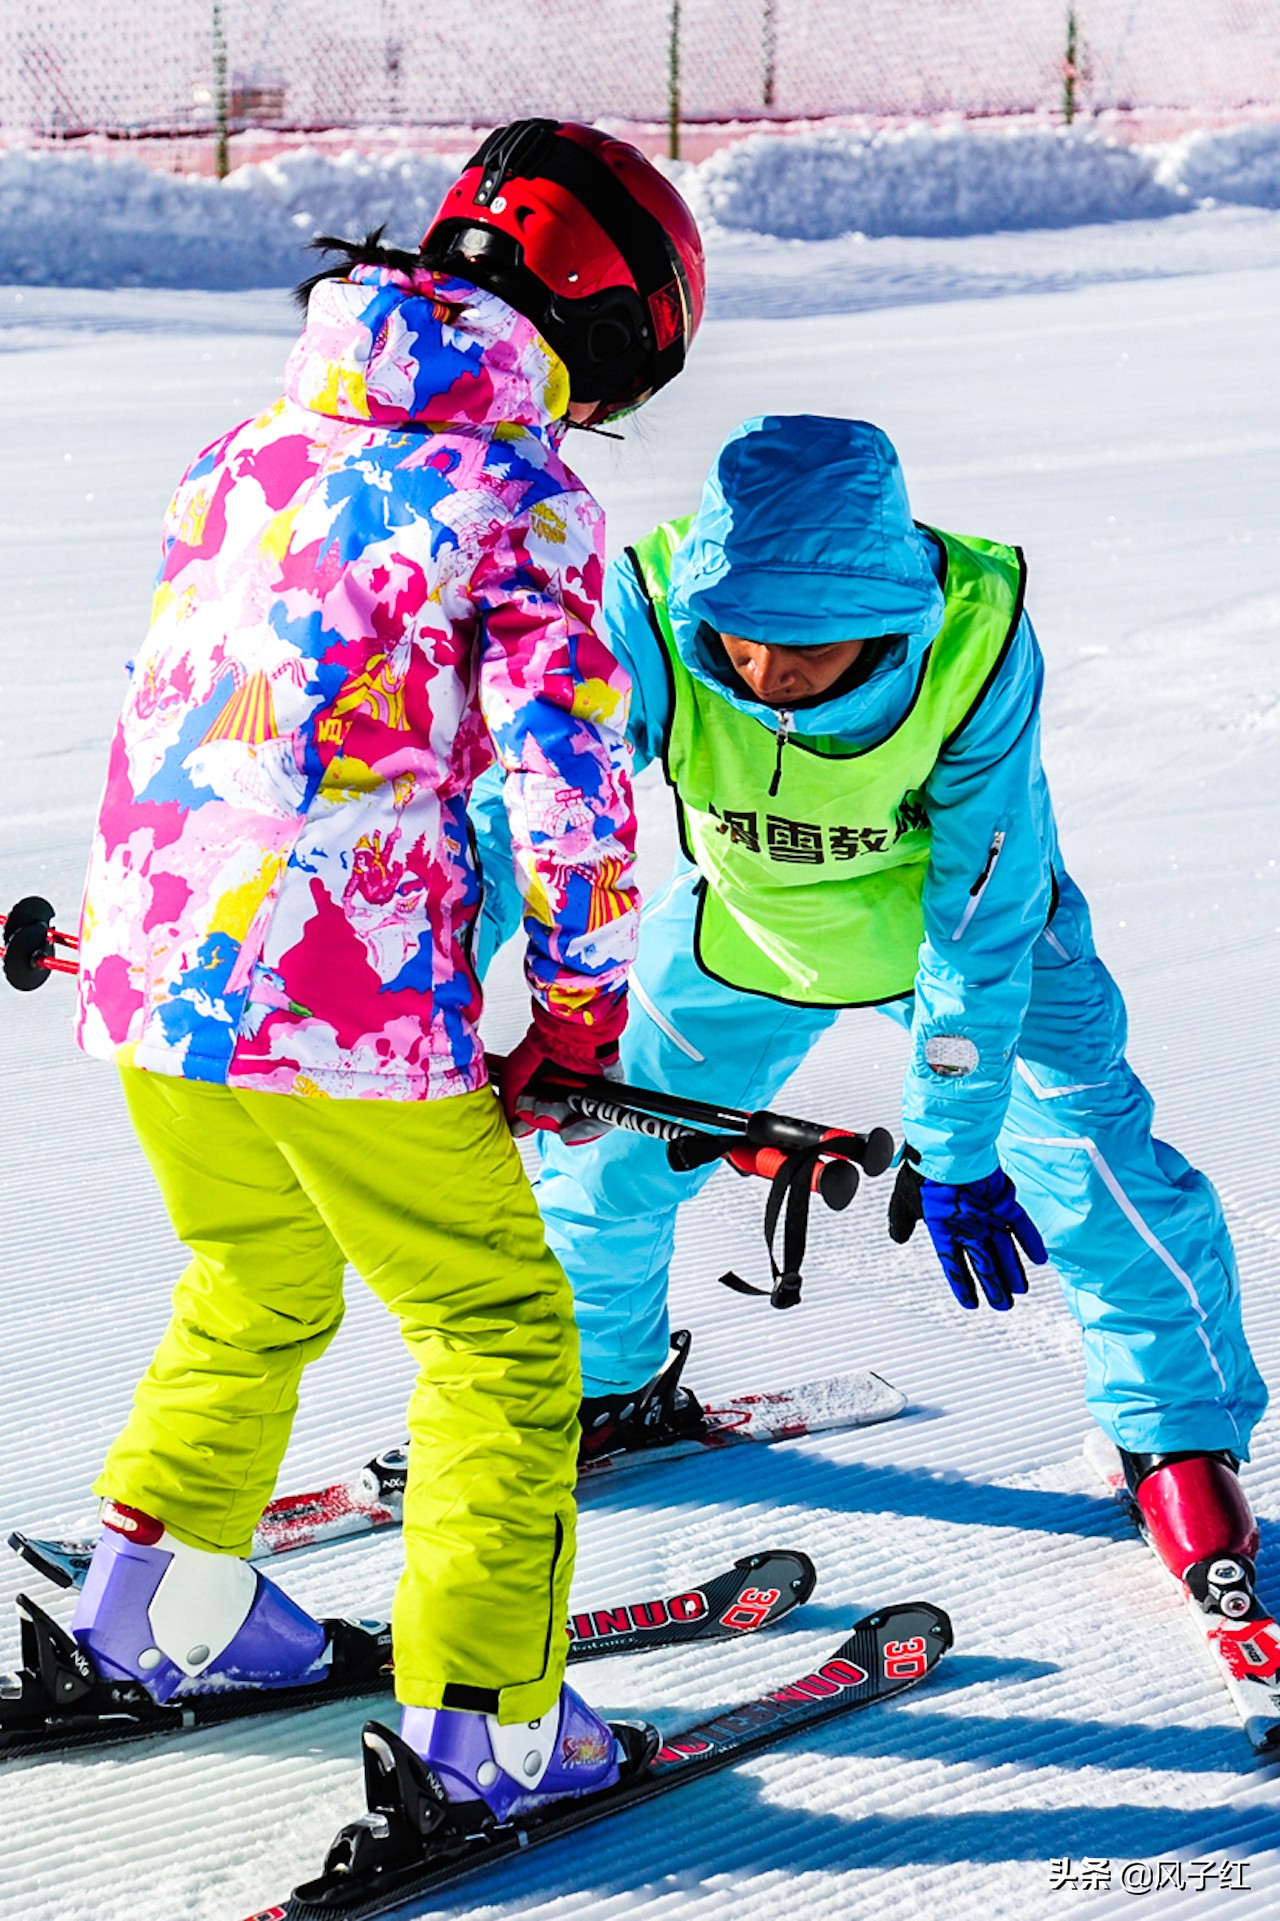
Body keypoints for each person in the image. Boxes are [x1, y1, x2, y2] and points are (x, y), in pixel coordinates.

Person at [67, 118, 703, 1846]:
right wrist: (576, 1008)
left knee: (250, 1276)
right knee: (496, 1334)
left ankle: (152, 1619)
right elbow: (572, 788)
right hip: (344, 1000)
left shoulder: (246, 450)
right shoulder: (512, 492)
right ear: (602, 325)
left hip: (151, 971)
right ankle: (486, 1731)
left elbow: (187, 706)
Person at [473, 413, 1266, 1601]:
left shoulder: (972, 642)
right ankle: (604, 1383)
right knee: (602, 1159)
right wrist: (421, 991)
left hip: (974, 948)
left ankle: (1176, 1437)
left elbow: (977, 912)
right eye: (741, 637)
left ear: (886, 613)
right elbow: (522, 803)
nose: (766, 673)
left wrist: (952, 1140)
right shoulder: (647, 614)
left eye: (807, 644)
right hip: (750, 930)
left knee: (1098, 1176)